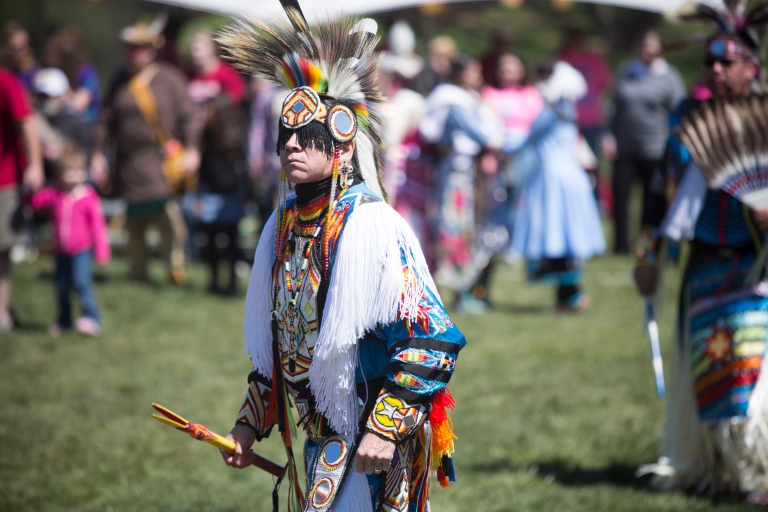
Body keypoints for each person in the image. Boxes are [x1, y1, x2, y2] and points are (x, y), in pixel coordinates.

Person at [216, 9, 465, 511]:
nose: (290, 145)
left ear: (343, 146)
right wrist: (248, 424)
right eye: (285, 134)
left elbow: (430, 337)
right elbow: (279, 342)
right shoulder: (281, 225)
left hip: (376, 447)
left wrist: (384, 428)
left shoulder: (373, 227)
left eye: (307, 135)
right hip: (324, 443)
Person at [634, 1, 768, 503]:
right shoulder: (686, 120)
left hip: (757, 266)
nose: (714, 69)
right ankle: (713, 467)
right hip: (704, 262)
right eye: (709, 61)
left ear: (751, 67)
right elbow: (655, 194)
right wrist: (647, 257)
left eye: (726, 61)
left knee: (754, 372)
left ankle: (758, 468)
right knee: (709, 368)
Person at [91, 15, 198, 285]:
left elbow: (189, 117)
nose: (132, 53)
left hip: (161, 162)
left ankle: (175, 270)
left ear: (151, 51)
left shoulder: (170, 78)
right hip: (129, 163)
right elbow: (105, 121)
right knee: (135, 222)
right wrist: (97, 155)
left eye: (138, 48)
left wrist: (192, 150)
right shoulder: (119, 79)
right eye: (128, 48)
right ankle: (138, 274)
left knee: (168, 218)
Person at [508, 61, 605, 311]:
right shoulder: (567, 108)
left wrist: (499, 143)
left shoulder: (553, 110)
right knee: (565, 238)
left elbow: (529, 138)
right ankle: (568, 294)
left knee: (557, 237)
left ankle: (570, 294)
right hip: (568, 177)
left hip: (552, 180)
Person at [420, 53, 502, 313]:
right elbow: (480, 135)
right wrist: (491, 141)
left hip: (469, 175)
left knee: (467, 229)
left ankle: (465, 289)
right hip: (456, 176)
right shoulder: (451, 99)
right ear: (459, 73)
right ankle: (456, 289)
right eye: (473, 71)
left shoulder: (467, 98)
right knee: (455, 229)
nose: (478, 76)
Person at [606, 29, 684, 254]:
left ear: (660, 48)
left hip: (655, 149)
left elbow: (678, 112)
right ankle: (620, 247)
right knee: (620, 199)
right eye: (644, 45)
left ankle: (648, 247)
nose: (647, 50)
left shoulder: (669, 77)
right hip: (625, 147)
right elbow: (613, 107)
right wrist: (608, 136)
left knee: (652, 202)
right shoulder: (627, 71)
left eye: (652, 45)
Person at [185, 30, 247, 295]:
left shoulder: (226, 79)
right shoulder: (190, 77)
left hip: (229, 179)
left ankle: (231, 282)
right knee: (209, 231)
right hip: (209, 176)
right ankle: (213, 280)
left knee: (230, 233)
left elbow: (237, 100)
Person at [29, 143, 110, 337]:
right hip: (60, 251)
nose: (73, 176)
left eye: (77, 171)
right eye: (68, 171)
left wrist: (102, 251)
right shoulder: (55, 194)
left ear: (84, 172)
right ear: (59, 173)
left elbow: (98, 227)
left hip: (81, 250)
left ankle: (91, 317)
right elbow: (36, 203)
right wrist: (34, 189)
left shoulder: (88, 197)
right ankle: (64, 320)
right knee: (61, 287)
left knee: (82, 284)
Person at [0, 65, 43, 332]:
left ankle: (1, 312)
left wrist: (35, 164)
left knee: (1, 250)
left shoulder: (6, 81)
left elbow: (26, 121)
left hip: (4, 179)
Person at [43, 27, 101, 125]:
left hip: (87, 125)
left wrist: (62, 97)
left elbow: (79, 104)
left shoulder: (86, 71)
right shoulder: (56, 73)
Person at [1, 22, 41, 92]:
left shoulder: (37, 74)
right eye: (13, 49)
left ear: (29, 48)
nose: (17, 53)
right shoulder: (5, 72)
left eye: (21, 49)